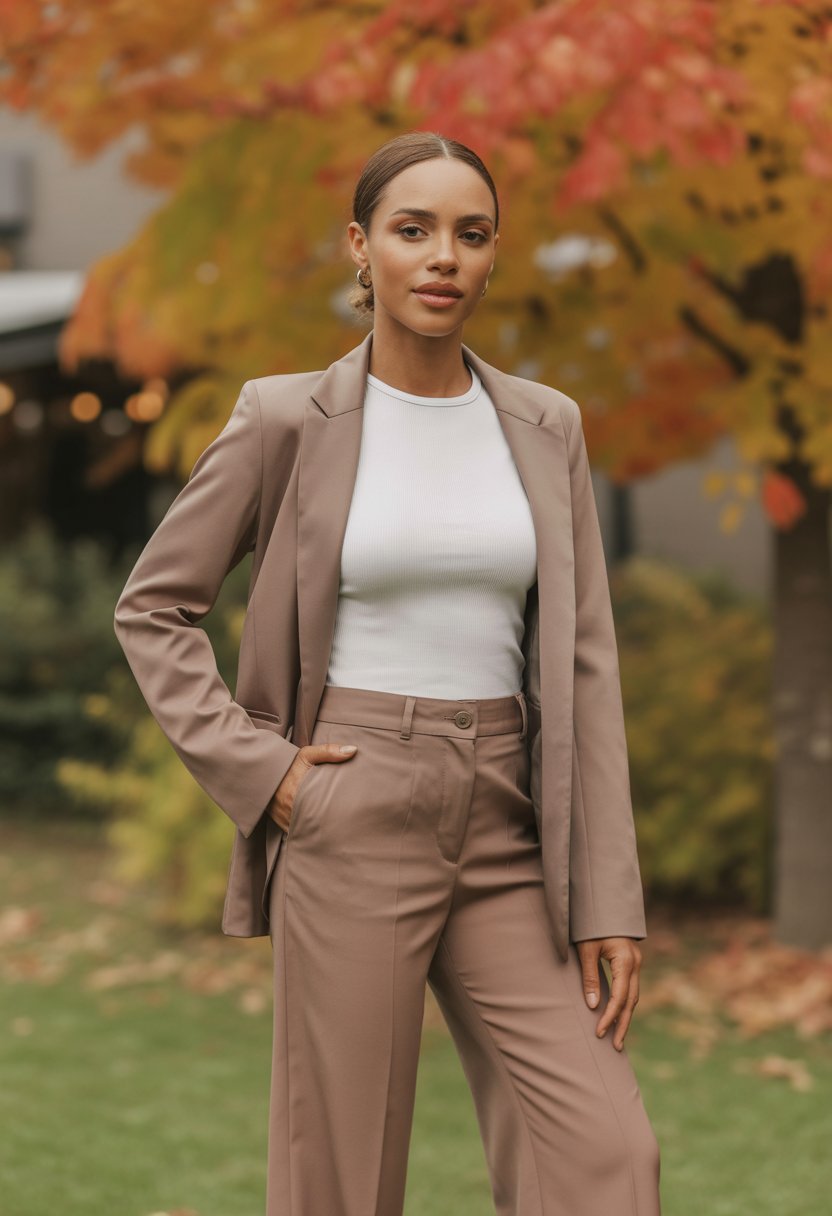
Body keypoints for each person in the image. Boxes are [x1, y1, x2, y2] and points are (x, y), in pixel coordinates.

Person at [114, 130, 662, 1216]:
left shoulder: (545, 426)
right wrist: (266, 773)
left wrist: (608, 893)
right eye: (413, 231)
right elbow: (154, 607)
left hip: (511, 820)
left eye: (470, 233)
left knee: (608, 1155)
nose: (442, 257)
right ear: (361, 249)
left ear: (495, 255)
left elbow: (584, 667)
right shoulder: (285, 418)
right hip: (349, 801)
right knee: (344, 1179)